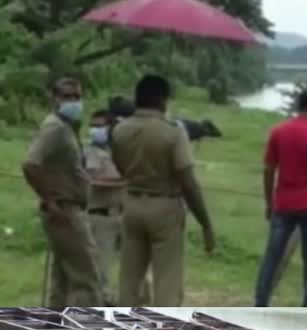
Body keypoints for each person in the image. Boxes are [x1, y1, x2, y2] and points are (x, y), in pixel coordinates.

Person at [111, 74, 215, 306]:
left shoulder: (119, 130)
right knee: (167, 280)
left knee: (129, 277)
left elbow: (120, 167)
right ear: (163, 100)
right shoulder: (173, 132)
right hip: (165, 205)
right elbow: (188, 181)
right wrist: (206, 224)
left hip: (132, 203)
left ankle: (123, 328)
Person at [22, 77, 103, 307]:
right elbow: (30, 164)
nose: (74, 102)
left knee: (63, 277)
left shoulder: (66, 127)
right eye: (67, 97)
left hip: (68, 207)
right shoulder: (55, 128)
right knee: (87, 277)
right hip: (65, 209)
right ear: (55, 99)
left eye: (77, 97)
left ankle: (54, 325)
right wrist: (50, 200)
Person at [255, 90, 307, 307]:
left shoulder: (278, 132)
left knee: (272, 256)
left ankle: (261, 300)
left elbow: (268, 169)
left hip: (284, 203)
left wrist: (268, 202)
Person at [83, 110, 127, 305]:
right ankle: (104, 303)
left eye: (100, 126)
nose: (95, 130)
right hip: (100, 216)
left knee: (134, 264)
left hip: (123, 213)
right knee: (101, 269)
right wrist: (126, 178)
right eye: (93, 126)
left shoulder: (118, 150)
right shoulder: (89, 151)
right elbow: (98, 179)